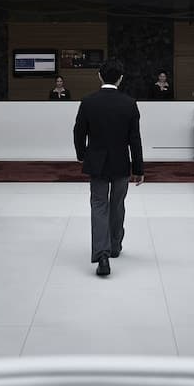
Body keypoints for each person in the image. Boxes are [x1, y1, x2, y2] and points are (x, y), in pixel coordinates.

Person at [73, 59, 145, 277]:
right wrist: (138, 169)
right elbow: (135, 139)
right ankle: (114, 245)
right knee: (117, 204)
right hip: (121, 163)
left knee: (98, 205)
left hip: (97, 163)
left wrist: (82, 156)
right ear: (120, 78)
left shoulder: (88, 102)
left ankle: (102, 255)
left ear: (99, 75)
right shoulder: (129, 103)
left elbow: (78, 132)